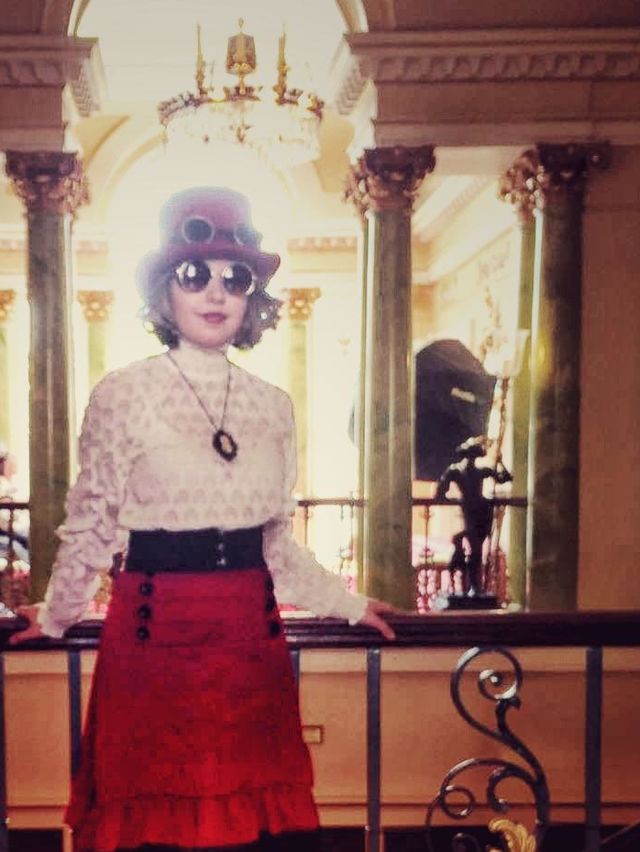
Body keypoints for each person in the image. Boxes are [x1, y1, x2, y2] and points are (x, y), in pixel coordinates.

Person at [11, 186, 395, 852]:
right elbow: (93, 522)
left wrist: (350, 604)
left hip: (249, 640)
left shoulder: (274, 405)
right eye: (194, 274)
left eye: (234, 278)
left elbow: (277, 544)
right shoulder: (123, 393)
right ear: (165, 291)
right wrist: (56, 616)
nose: (216, 293)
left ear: (251, 298)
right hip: (153, 633)